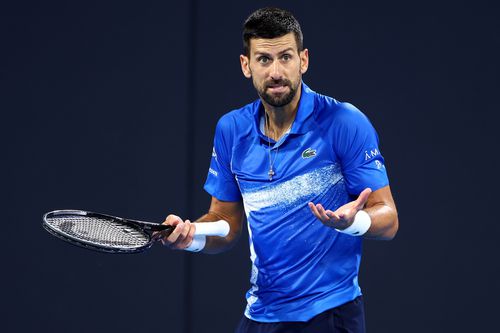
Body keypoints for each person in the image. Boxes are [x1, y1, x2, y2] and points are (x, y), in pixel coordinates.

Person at [157, 7, 398, 333]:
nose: (276, 71)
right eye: (264, 60)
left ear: (304, 60)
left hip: (329, 313)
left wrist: (354, 221)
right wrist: (191, 236)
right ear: (246, 65)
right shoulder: (231, 129)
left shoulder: (344, 122)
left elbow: (389, 219)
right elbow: (226, 224)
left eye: (285, 57)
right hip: (260, 315)